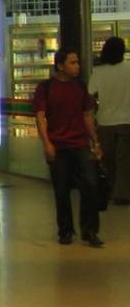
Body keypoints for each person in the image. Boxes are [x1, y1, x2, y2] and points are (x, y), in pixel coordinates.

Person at [34, 47, 103, 246]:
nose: (77, 66)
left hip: (80, 143)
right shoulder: (46, 88)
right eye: (72, 63)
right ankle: (65, 230)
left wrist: (95, 142)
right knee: (62, 189)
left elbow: (87, 115)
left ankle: (89, 230)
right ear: (60, 66)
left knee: (90, 185)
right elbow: (40, 116)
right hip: (58, 145)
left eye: (77, 62)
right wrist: (47, 143)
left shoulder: (80, 86)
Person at [90, 35, 130, 205]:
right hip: (126, 121)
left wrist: (96, 110)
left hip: (105, 121)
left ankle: (111, 189)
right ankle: (122, 193)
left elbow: (89, 95)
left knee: (108, 159)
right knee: (124, 159)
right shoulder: (128, 69)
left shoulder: (98, 72)